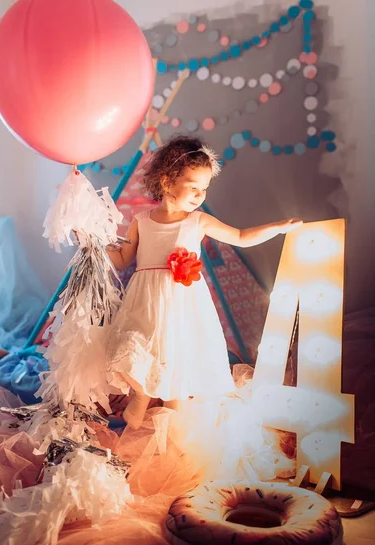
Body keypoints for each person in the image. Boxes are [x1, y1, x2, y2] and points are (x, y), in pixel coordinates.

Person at [106, 135, 302, 429]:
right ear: (166, 181)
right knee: (144, 353)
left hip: (182, 306)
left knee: (176, 362)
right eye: (193, 186)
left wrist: (277, 227)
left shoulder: (197, 221)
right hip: (146, 301)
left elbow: (239, 236)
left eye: (204, 188)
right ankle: (139, 406)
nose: (200, 194)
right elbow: (122, 259)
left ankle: (172, 424)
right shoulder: (141, 220)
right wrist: (97, 243)